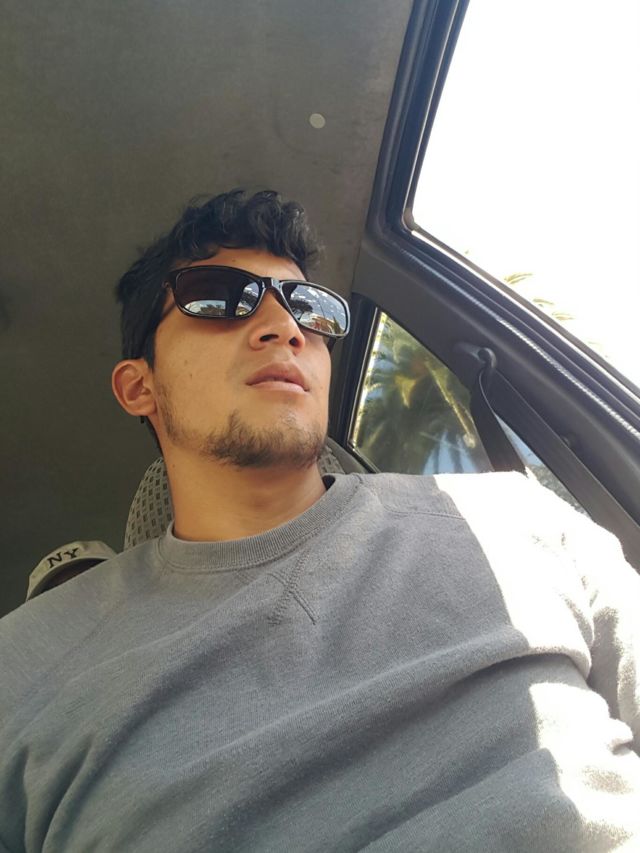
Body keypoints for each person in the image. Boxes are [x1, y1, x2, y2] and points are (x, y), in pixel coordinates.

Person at [1, 189, 639, 852]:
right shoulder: (24, 666)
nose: (285, 327)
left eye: (310, 307)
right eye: (218, 298)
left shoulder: (514, 519)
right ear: (140, 387)